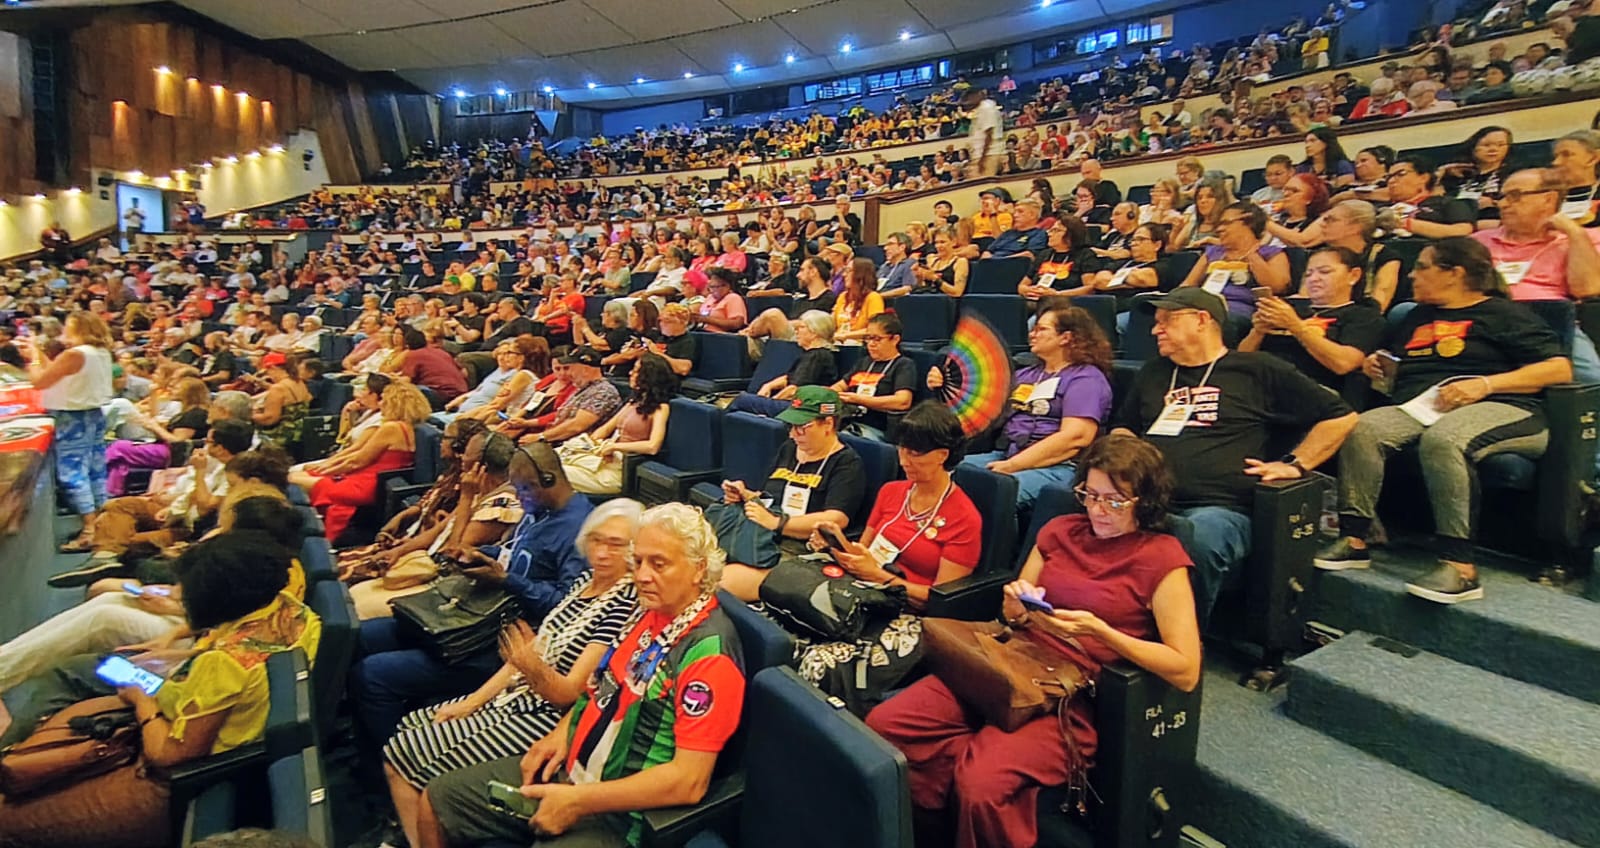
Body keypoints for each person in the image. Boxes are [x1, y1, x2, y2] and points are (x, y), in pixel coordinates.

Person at [867, 434, 1200, 848]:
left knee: (983, 783)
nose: (1098, 510)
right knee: (887, 726)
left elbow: (1185, 670)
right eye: (1090, 495)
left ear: (1145, 502)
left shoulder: (1161, 558)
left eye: (1115, 501)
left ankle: (974, 791)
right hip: (1011, 663)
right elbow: (1015, 612)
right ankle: (934, 826)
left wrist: (1101, 632)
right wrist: (1017, 606)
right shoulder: (1060, 530)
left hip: (1069, 696)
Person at [416, 502, 744, 848]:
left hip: (619, 817)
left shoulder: (710, 655)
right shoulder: (651, 612)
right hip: (571, 771)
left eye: (658, 564)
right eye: (639, 562)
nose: (642, 575)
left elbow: (688, 781)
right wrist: (559, 734)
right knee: (437, 800)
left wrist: (578, 801)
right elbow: (601, 687)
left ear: (698, 569)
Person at [0, 530, 320, 848]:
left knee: (7, 816)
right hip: (194, 733)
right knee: (81, 684)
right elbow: (237, 655)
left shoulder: (225, 664)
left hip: (174, 781)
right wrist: (180, 656)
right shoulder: (293, 611)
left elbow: (169, 755)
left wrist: (140, 700)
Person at [1315, 238, 1572, 604]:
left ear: (1455, 274)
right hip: (1424, 406)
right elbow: (1400, 363)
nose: (1413, 275)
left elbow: (1559, 368)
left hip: (1505, 407)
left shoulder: (1502, 313)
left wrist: (1484, 384)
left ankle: (1460, 567)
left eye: (1422, 267)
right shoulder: (1417, 316)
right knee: (1363, 427)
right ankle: (1357, 538)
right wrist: (1377, 364)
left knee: (1446, 438)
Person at [378, 500, 644, 848]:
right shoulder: (584, 582)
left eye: (617, 544)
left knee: (403, 752)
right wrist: (472, 702)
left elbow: (567, 693)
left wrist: (528, 665)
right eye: (597, 540)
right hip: (518, 693)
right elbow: (525, 655)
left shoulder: (624, 603)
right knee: (410, 727)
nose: (604, 552)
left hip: (546, 716)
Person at [1111, 288, 1358, 622]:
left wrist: (1296, 465)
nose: (1156, 330)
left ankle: (1176, 652)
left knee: (1195, 535)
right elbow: (1124, 426)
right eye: (1156, 323)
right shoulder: (1153, 372)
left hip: (1219, 507)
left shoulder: (1255, 369)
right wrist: (1122, 456)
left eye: (1166, 320)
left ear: (1202, 320)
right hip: (1145, 497)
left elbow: (1341, 417)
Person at [350, 440, 592, 751]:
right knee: (363, 636)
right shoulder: (539, 510)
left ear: (548, 480)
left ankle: (384, 770)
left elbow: (566, 604)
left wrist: (506, 580)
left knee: (373, 675)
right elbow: (512, 555)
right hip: (474, 615)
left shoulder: (581, 529)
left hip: (502, 640)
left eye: (523, 489)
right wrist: (479, 554)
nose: (518, 497)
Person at [932, 304, 1112, 512]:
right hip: (1008, 453)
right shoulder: (1026, 375)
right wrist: (945, 385)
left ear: (1066, 337)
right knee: (937, 471)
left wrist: (1012, 466)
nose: (1032, 334)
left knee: (990, 491)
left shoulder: (1086, 378)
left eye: (1041, 329)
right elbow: (985, 410)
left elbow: (1075, 437)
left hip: (1058, 466)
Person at [345, 431, 524, 619]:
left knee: (360, 608)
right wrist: (398, 552)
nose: (461, 456)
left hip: (449, 587)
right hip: (429, 567)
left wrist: (466, 497)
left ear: (481, 465)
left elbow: (454, 552)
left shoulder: (503, 503)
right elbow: (438, 531)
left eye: (467, 453)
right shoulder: (480, 489)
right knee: (355, 592)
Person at [1472, 168, 1600, 385]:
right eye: (1501, 197)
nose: (1502, 204)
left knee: (1593, 382)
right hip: (1484, 317)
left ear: (1548, 198)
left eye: (1514, 196)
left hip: (1547, 321)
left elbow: (1587, 289)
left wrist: (1574, 233)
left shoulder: (1585, 238)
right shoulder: (1478, 241)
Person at [720, 385, 868, 557]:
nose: (793, 434)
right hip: (766, 535)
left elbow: (835, 519)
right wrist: (746, 495)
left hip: (799, 547)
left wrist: (778, 523)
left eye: (801, 427)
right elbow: (770, 497)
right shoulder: (789, 448)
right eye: (790, 426)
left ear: (828, 423)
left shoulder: (847, 463)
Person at [335, 419, 482, 585]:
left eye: (446, 438)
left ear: (458, 446)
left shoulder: (468, 484)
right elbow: (426, 502)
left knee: (340, 575)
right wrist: (401, 516)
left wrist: (401, 548)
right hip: (407, 540)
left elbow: (443, 535)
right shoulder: (451, 473)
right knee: (335, 561)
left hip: (419, 554)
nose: (440, 442)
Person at [17, 311, 115, 552]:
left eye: (69, 326)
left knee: (73, 473)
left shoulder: (75, 353)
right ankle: (103, 522)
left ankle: (90, 528)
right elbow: (58, 373)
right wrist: (37, 351)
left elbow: (39, 381)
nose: (64, 331)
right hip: (92, 414)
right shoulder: (99, 352)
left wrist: (32, 358)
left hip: (72, 417)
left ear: (80, 328)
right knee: (94, 469)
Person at [290, 381, 430, 543]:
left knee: (291, 479)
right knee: (301, 475)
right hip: (368, 480)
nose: (381, 403)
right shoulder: (407, 426)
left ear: (394, 401)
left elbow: (356, 462)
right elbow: (354, 455)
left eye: (383, 399)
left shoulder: (391, 427)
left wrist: (323, 471)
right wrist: (323, 469)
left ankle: (297, 535)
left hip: (363, 485)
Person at [1239, 246, 1386, 391]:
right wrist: (1257, 332)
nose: (1314, 279)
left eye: (1325, 272)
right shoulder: (1287, 307)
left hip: (1312, 389)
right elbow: (1241, 361)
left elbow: (1344, 364)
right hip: (1257, 382)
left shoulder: (1363, 315)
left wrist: (1295, 326)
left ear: (1353, 276)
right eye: (1308, 274)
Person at [559, 354, 675, 495]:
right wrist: (590, 444)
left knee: (553, 473)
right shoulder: (633, 402)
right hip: (603, 459)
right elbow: (606, 428)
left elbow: (652, 446)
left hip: (620, 469)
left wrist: (614, 446)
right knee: (549, 459)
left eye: (636, 370)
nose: (630, 373)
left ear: (650, 376)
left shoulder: (660, 407)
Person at [1178, 201, 1291, 320]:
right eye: (1219, 224)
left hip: (1241, 312)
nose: (1219, 229)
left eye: (1226, 223)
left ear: (1249, 223)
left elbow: (1277, 287)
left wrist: (1252, 255)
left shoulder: (1271, 253)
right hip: (1204, 307)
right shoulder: (1213, 252)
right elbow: (1187, 285)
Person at [104, 375, 210, 497]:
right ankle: (112, 492)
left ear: (189, 393)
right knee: (119, 460)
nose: (171, 390)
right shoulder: (185, 411)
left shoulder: (196, 414)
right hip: (163, 447)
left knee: (119, 447)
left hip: (170, 453)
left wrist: (154, 427)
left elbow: (178, 442)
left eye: (177, 388)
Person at [729, 311, 839, 416]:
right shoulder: (812, 354)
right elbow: (789, 378)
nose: (796, 331)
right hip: (798, 404)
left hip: (803, 408)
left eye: (801, 327)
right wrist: (769, 385)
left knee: (742, 400)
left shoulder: (817, 356)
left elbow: (794, 389)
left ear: (815, 333)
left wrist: (771, 401)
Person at [832, 313, 917, 442]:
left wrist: (860, 399)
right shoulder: (864, 362)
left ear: (895, 339)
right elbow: (840, 385)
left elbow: (903, 401)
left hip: (878, 427)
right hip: (847, 419)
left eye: (877, 339)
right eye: (868, 338)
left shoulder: (903, 365)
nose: (871, 344)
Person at [515, 347, 621, 447]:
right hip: (555, 441)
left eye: (571, 368)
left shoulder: (603, 392)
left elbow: (576, 426)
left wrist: (541, 436)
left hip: (573, 447)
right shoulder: (583, 388)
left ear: (585, 370)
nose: (568, 374)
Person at [1377, 155, 1478, 240]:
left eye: (1400, 174)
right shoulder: (1378, 209)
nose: (1391, 181)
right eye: (1389, 177)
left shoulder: (1447, 203)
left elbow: (1462, 231)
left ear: (1424, 178)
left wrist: (1405, 224)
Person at [1440, 126, 1514, 223]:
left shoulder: (1515, 174)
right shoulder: (1457, 173)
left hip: (1494, 222)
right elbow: (1436, 201)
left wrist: (1494, 203)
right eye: (1486, 145)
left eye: (1501, 145)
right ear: (1473, 148)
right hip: (1455, 222)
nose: (1493, 149)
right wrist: (1441, 172)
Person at [251, 352, 313, 454]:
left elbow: (269, 419)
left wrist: (250, 415)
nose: (269, 376)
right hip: (300, 434)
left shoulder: (278, 388)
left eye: (268, 372)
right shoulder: (299, 382)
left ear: (273, 368)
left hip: (281, 437)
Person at [399, 327, 469, 403]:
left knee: (405, 390)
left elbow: (405, 381)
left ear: (407, 346)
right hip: (462, 394)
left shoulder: (413, 355)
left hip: (441, 395)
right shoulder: (441, 352)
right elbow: (464, 373)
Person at [833, 258, 887, 343]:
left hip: (859, 345)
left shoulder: (873, 298)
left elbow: (875, 329)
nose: (844, 275)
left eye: (848, 271)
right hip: (838, 342)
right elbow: (832, 323)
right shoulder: (842, 297)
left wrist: (845, 336)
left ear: (861, 275)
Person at [983, 198, 1049, 261]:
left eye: (1020, 212)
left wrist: (998, 261)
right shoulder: (1008, 233)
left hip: (1012, 266)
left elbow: (1028, 255)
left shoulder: (1039, 234)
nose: (1015, 215)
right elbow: (988, 251)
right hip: (991, 264)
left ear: (1032, 215)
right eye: (1015, 212)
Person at [912, 227, 970, 297]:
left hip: (946, 302)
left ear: (953, 242)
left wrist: (935, 279)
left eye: (942, 242)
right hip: (929, 298)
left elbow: (957, 292)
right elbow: (924, 287)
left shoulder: (960, 262)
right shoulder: (933, 261)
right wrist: (919, 277)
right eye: (936, 243)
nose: (938, 246)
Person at [694, 267, 748, 333]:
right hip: (702, 332)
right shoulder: (710, 297)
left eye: (715, 287)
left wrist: (707, 320)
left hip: (721, 337)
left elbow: (737, 323)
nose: (712, 291)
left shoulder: (733, 298)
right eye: (710, 287)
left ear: (727, 286)